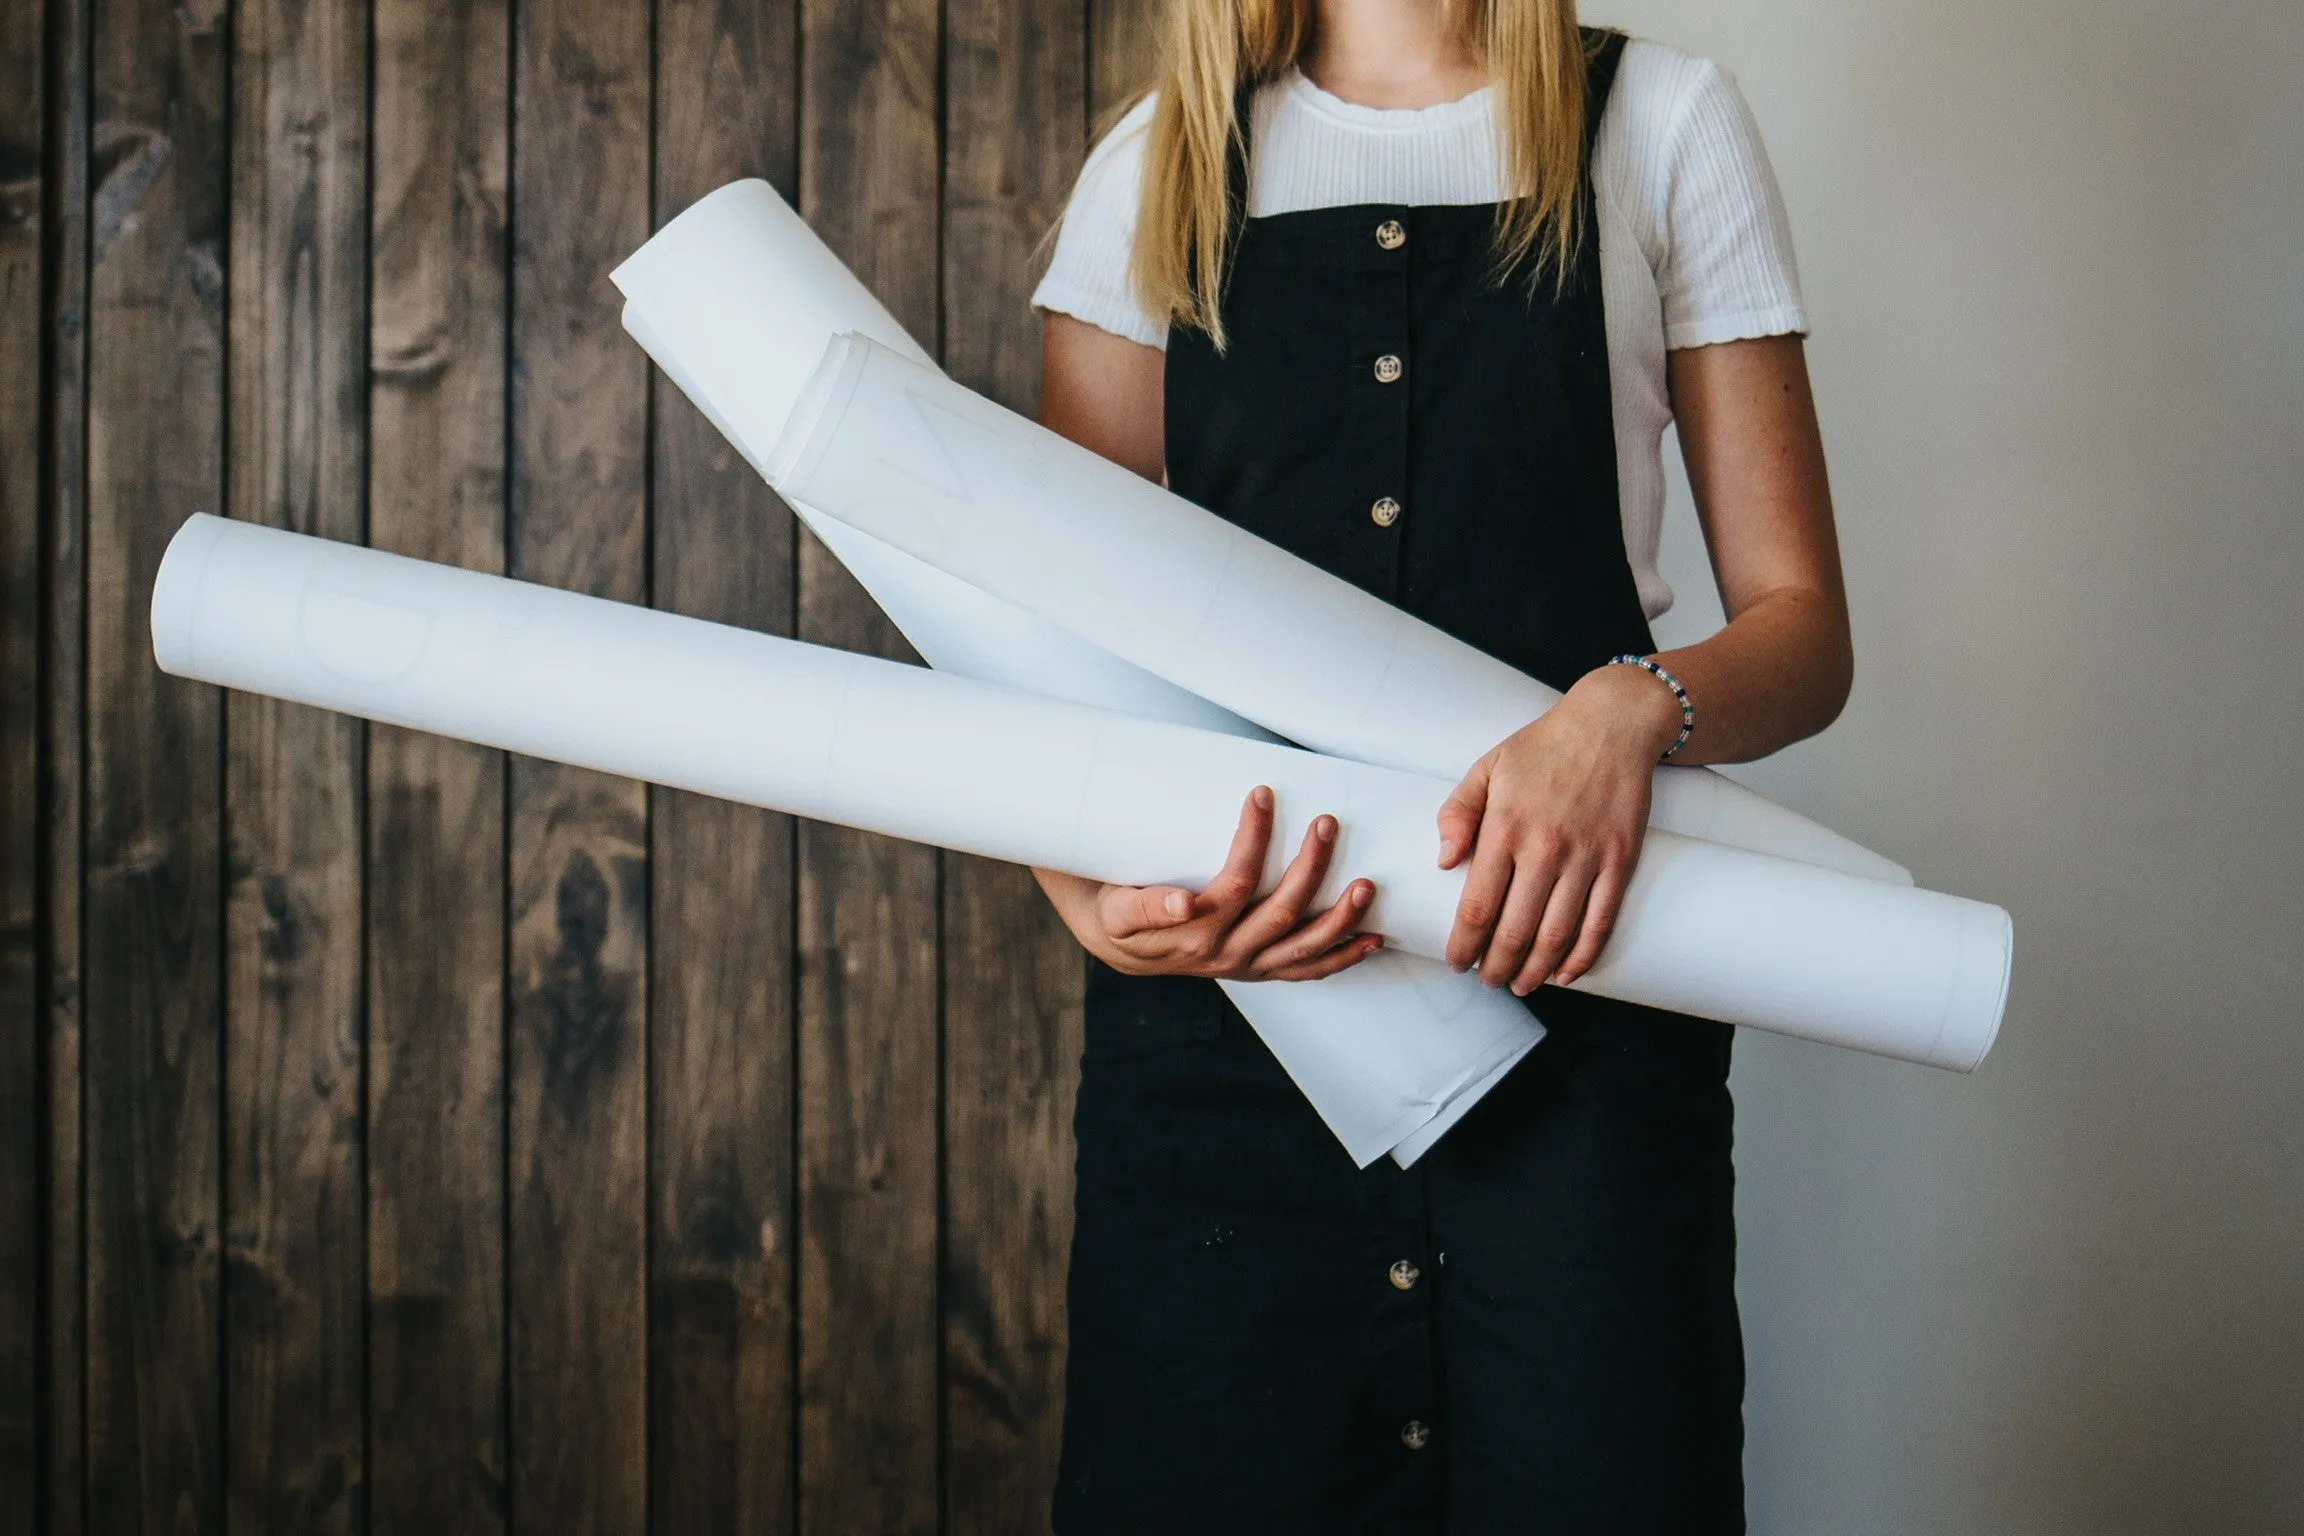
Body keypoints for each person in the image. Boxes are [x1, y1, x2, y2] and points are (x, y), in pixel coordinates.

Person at [1028, 0, 1851, 1528]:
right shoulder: (1156, 166)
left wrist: (1627, 708)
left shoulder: (1663, 124)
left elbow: (1803, 633)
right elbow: (1048, 639)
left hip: (1584, 1028)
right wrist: (1077, 886)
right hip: (1237, 1050)